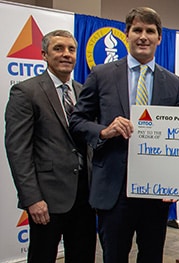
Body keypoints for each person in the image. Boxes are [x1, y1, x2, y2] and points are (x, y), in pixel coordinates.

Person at [69, 7, 179, 263]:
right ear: (127, 34)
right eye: (138, 30)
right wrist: (104, 131)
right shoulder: (102, 74)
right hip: (114, 188)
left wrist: (175, 180)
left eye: (150, 31)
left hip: (154, 191)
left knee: (152, 256)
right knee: (114, 256)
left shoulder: (172, 82)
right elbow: (77, 121)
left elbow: (177, 137)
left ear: (159, 38)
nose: (143, 36)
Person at [4, 30, 96, 263]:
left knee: (83, 256)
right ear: (44, 54)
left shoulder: (83, 91)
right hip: (48, 199)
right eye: (58, 49)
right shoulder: (26, 92)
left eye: (71, 49)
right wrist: (32, 198)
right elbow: (18, 150)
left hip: (85, 197)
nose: (66, 54)